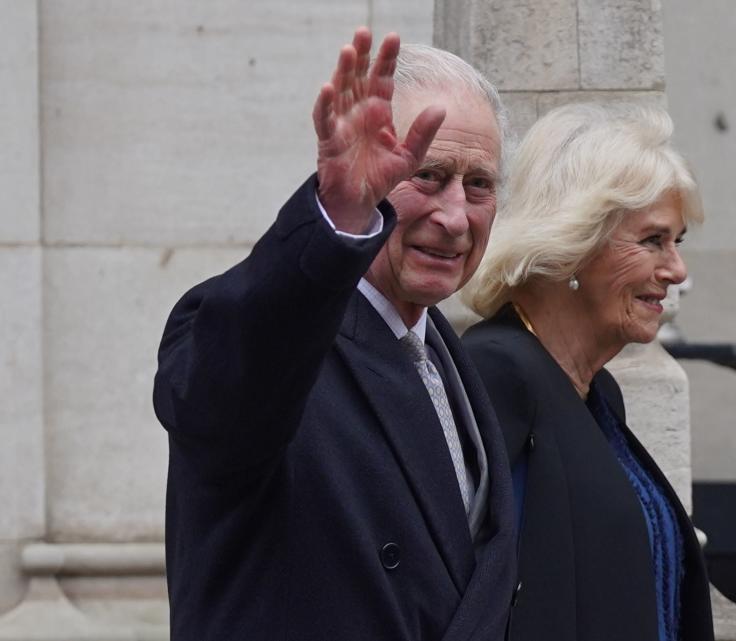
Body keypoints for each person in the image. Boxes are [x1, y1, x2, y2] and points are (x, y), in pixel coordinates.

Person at [153, 28, 517, 640]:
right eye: (426, 176)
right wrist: (337, 220)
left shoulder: (449, 356)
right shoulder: (262, 336)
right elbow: (234, 379)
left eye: (478, 185)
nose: (455, 217)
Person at [460, 103, 715, 641]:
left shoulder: (596, 391)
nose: (677, 270)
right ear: (575, 244)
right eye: (653, 240)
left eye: (677, 242)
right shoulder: (499, 371)